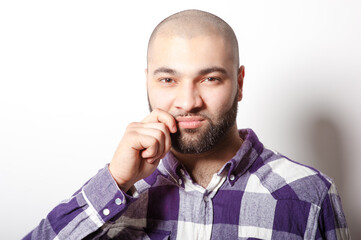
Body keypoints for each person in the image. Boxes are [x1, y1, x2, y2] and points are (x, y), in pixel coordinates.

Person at [23, 9, 350, 240]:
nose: (188, 101)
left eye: (210, 78)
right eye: (168, 79)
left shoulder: (309, 195)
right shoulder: (116, 194)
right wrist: (114, 181)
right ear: (148, 82)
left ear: (239, 82)